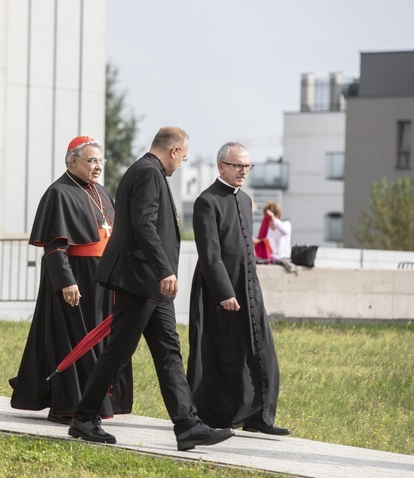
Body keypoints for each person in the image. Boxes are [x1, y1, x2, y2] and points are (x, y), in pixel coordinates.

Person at [67, 127, 234, 451]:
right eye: (182, 158)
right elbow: (144, 223)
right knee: (119, 351)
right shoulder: (147, 173)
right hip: (142, 279)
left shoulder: (146, 171)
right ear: (173, 151)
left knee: (169, 352)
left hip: (150, 283)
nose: (181, 164)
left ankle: (187, 426)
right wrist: (164, 269)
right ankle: (85, 417)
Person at [9, 136, 133, 424]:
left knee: (101, 342)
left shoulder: (101, 192)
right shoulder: (59, 193)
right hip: (77, 278)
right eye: (91, 160)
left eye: (100, 161)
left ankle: (97, 403)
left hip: (103, 281)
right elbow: (54, 244)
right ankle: (69, 406)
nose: (98, 166)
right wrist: (66, 282)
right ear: (73, 161)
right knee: (76, 341)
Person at [187, 142, 290, 435]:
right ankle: (217, 418)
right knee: (222, 353)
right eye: (238, 166)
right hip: (219, 288)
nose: (244, 171)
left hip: (248, 285)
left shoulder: (245, 200)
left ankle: (258, 417)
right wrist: (224, 292)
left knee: (261, 349)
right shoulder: (206, 201)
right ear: (221, 167)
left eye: (247, 166)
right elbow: (209, 254)